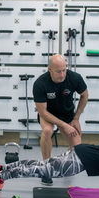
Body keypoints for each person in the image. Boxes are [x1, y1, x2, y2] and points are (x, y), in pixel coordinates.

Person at [33, 54, 89, 185]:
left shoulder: (74, 78)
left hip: (67, 114)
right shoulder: (40, 83)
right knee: (47, 131)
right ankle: (47, 168)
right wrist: (65, 126)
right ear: (50, 70)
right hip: (48, 114)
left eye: (64, 70)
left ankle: (67, 166)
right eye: (58, 71)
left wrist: (76, 119)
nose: (62, 74)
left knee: (77, 142)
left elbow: (85, 96)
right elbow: (43, 112)